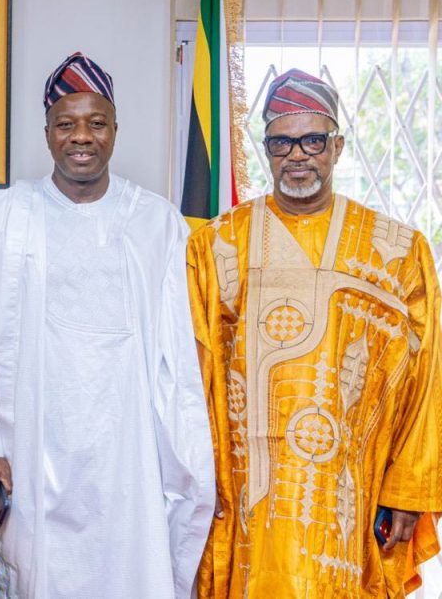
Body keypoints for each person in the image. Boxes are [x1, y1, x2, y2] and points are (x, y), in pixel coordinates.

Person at [0, 52, 215, 598]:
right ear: (47, 133)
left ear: (115, 130)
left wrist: (182, 456)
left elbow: (177, 356)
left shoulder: (157, 222)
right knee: (39, 574)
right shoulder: (3, 217)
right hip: (33, 443)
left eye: (96, 123)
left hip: (130, 448)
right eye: (66, 124)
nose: (82, 137)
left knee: (131, 570)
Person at [187, 69, 442, 597]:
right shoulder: (216, 247)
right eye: (281, 142)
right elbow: (192, 377)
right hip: (245, 495)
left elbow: (427, 381)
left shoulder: (398, 252)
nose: (297, 155)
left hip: (350, 495)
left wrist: (407, 491)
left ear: (337, 146)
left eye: (312, 141)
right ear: (266, 150)